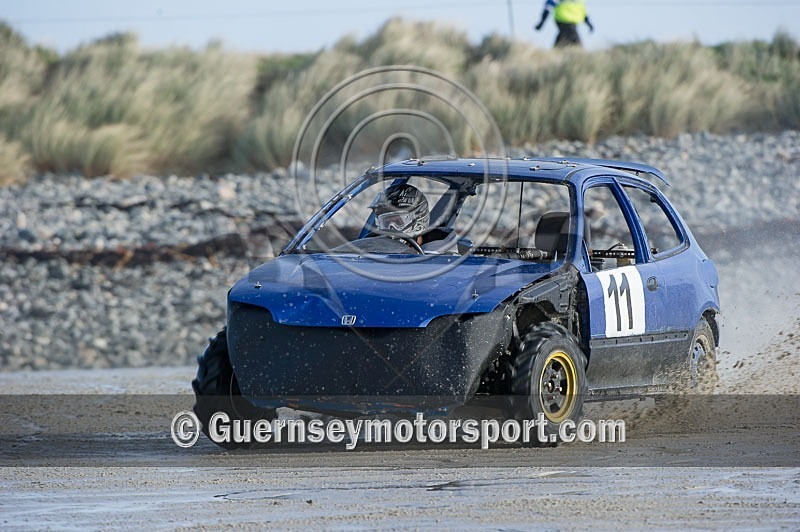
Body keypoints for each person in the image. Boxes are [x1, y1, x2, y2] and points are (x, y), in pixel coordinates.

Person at [370, 183, 458, 254]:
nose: (392, 228)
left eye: (398, 221)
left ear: (419, 217)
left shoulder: (443, 257)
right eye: (385, 223)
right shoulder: (378, 252)